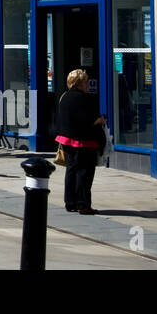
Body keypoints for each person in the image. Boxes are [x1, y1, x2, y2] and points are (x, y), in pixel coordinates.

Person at [54, 68, 106, 214]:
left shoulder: (64, 97)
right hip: (85, 141)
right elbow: (89, 119)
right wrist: (100, 120)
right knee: (84, 173)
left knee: (71, 170)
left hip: (67, 140)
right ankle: (83, 204)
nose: (88, 84)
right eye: (86, 81)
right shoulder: (86, 98)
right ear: (80, 83)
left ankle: (70, 202)